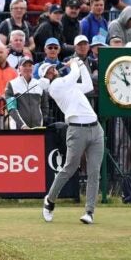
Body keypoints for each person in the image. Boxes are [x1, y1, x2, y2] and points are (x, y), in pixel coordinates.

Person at [41, 57, 102, 225]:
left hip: (96, 129)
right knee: (70, 168)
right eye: (48, 71)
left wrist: (81, 65)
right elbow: (74, 74)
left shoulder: (69, 85)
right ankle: (50, 200)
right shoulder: (55, 86)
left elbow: (88, 85)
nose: (53, 71)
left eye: (53, 68)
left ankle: (89, 211)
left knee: (94, 172)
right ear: (46, 78)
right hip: (76, 130)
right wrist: (75, 63)